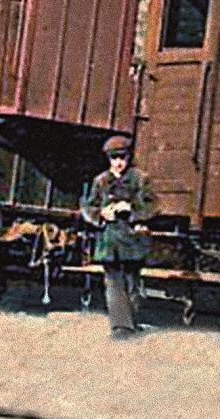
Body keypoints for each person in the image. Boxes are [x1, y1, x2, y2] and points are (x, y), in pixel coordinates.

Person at [80, 135, 158, 339]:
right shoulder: (101, 181)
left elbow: (153, 206)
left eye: (122, 157)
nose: (118, 162)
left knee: (132, 282)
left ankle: (131, 322)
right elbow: (88, 207)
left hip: (132, 237)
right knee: (113, 282)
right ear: (109, 159)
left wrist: (131, 209)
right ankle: (121, 327)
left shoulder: (140, 179)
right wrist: (101, 215)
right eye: (114, 158)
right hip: (109, 238)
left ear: (128, 157)